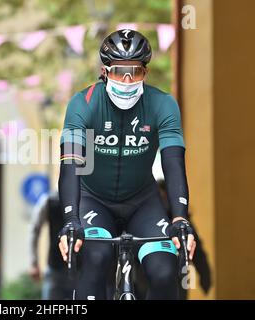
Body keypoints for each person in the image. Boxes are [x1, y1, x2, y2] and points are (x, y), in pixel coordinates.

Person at [58, 29, 196, 300]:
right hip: (93, 199)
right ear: (105, 71)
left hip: (143, 202)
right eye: (120, 71)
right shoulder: (83, 104)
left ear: (146, 72)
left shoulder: (162, 104)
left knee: (164, 272)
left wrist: (180, 216)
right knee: (95, 259)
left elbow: (173, 162)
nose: (128, 79)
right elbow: (71, 164)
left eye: (136, 71)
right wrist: (71, 220)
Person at [29, 191, 73, 300]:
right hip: (56, 266)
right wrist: (34, 262)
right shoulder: (49, 200)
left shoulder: (83, 200)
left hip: (76, 267)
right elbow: (35, 230)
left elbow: (34, 230)